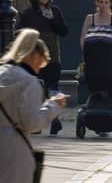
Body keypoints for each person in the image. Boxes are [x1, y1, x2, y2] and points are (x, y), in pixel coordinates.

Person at [0, 29, 66, 182]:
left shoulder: (2, 73)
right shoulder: (29, 82)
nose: (40, 67)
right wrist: (53, 106)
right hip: (15, 150)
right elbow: (32, 123)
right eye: (42, 62)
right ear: (34, 55)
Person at [16, 0, 68, 135]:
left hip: (51, 56)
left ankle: (55, 118)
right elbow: (19, 32)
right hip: (33, 59)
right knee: (36, 89)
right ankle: (37, 124)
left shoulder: (55, 11)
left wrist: (52, 20)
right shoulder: (27, 14)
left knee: (52, 88)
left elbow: (64, 31)